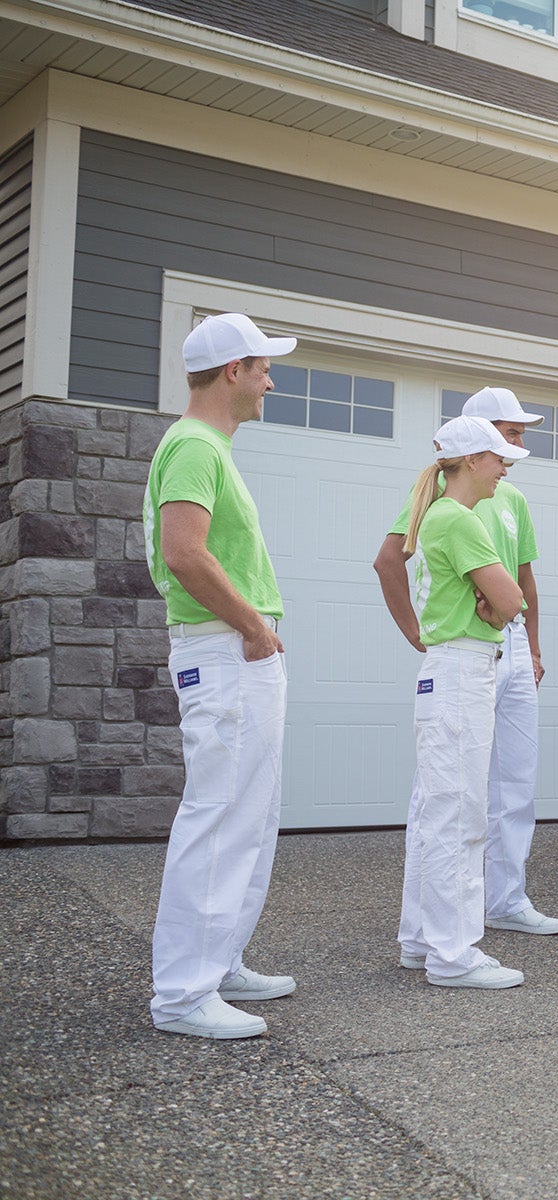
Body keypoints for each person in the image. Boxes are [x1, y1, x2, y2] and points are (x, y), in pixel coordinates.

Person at [145, 313, 299, 1040]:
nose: (271, 379)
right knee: (218, 814)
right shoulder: (193, 446)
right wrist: (253, 624)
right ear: (233, 370)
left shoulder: (208, 448)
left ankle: (221, 959)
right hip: (226, 650)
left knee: (249, 814)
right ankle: (182, 994)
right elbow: (184, 553)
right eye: (263, 366)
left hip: (237, 652)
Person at [375, 387, 558, 941]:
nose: (519, 443)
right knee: (449, 798)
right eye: (512, 431)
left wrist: (531, 646)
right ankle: (442, 934)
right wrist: (419, 632)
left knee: (512, 785)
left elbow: (523, 585)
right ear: (477, 437)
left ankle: (504, 900)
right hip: (467, 650)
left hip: (504, 648)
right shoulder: (443, 499)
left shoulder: (511, 499)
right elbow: (391, 560)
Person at [396, 415, 529, 989]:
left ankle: (421, 940)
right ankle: (453, 955)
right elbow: (513, 599)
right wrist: (496, 604)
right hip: (462, 676)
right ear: (472, 460)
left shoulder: (436, 516)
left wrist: (492, 603)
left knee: (436, 812)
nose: (504, 467)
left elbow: (499, 600)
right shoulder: (461, 520)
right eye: (498, 457)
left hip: (445, 673)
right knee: (460, 815)